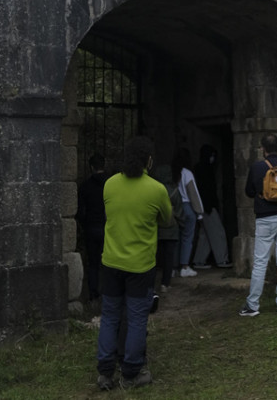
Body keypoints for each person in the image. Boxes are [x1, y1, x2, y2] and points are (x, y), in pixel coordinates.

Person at [96, 136, 172, 391]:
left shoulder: (109, 185)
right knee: (138, 318)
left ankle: (105, 372)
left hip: (111, 261)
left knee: (109, 316)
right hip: (140, 265)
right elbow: (167, 219)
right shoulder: (156, 189)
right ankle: (131, 372)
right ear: (148, 160)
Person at [239, 133, 277, 317]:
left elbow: (248, 191)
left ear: (263, 149)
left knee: (260, 262)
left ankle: (253, 305)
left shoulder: (257, 167)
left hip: (264, 218)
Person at [192, 144, 233, 269]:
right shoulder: (206, 170)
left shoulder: (199, 169)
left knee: (205, 235)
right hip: (208, 207)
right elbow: (207, 190)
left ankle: (198, 261)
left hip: (202, 207)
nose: (213, 158)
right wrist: (211, 206)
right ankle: (222, 259)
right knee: (218, 232)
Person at [76, 153, 110, 302]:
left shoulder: (85, 186)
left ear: (91, 167)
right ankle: (108, 291)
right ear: (104, 165)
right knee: (108, 262)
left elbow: (80, 211)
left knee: (93, 263)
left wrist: (84, 225)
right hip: (107, 227)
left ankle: (93, 293)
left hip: (91, 228)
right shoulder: (111, 184)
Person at [172, 148, 204, 278]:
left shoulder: (172, 173)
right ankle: (184, 266)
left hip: (173, 208)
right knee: (187, 238)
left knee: (175, 239)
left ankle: (173, 268)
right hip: (187, 207)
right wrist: (199, 212)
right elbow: (193, 193)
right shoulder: (187, 173)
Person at [153, 164, 184, 293]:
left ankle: (151, 283)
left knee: (154, 257)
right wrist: (181, 224)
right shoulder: (175, 191)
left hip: (157, 229)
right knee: (169, 257)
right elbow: (179, 210)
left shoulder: (154, 190)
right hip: (171, 229)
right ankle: (165, 283)